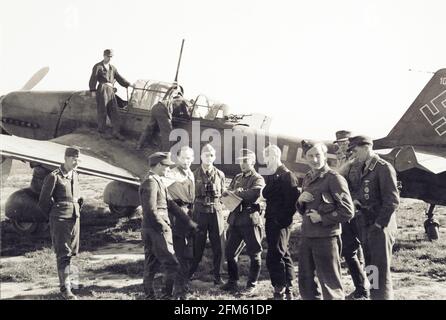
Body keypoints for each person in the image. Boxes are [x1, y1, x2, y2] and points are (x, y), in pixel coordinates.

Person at [296, 141, 355, 300]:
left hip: (326, 238)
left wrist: (322, 218)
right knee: (306, 281)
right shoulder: (308, 177)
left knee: (330, 284)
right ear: (305, 157)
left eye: (318, 155)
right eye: (310, 156)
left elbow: (348, 211)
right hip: (307, 235)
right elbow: (304, 209)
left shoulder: (334, 178)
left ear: (325, 156)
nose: (314, 159)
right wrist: (300, 200)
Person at [346, 135, 400, 300]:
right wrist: (356, 201)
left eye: (355, 150)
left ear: (366, 147)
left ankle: (382, 297)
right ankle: (375, 296)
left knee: (380, 271)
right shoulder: (363, 167)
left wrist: (378, 225)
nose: (354, 154)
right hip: (367, 225)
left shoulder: (383, 167)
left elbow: (392, 201)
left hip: (380, 227)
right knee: (371, 268)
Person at [139, 152, 198, 300]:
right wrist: (164, 226)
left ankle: (150, 296)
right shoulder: (151, 182)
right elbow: (150, 210)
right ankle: (167, 296)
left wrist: (188, 221)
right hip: (156, 229)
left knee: (151, 264)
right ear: (159, 165)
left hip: (153, 228)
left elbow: (170, 205)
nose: (168, 169)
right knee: (172, 264)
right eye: (166, 166)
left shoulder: (157, 180)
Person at [38, 147, 84, 300]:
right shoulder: (54, 176)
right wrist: (55, 216)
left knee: (73, 253)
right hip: (60, 219)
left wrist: (77, 210)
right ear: (66, 158)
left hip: (74, 218)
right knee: (63, 254)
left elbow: (78, 198)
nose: (76, 162)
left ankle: (74, 284)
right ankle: (66, 290)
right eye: (73, 159)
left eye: (78, 159)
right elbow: (43, 202)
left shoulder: (75, 175)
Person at [221, 149, 265, 294]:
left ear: (253, 162)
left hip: (250, 220)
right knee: (229, 252)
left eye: (246, 161)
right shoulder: (238, 177)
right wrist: (235, 193)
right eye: (241, 161)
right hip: (235, 220)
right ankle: (233, 281)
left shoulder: (258, 178)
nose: (243, 164)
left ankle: (251, 284)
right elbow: (226, 193)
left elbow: (254, 194)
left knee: (254, 253)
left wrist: (237, 193)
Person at [334, 130, 370, 299]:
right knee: (349, 252)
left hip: (360, 213)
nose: (342, 145)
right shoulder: (342, 161)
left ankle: (374, 289)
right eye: (339, 143)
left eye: (345, 142)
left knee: (369, 253)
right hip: (347, 214)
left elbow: (358, 188)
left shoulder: (357, 162)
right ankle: (362, 289)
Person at [261, 144, 300, 300]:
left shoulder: (287, 175)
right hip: (272, 219)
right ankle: (288, 289)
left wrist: (281, 221)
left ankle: (280, 290)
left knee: (276, 254)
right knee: (282, 253)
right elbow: (266, 193)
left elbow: (292, 202)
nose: (266, 162)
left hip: (280, 222)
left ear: (275, 156)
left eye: (267, 158)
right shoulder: (275, 175)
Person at [189, 144, 226, 285]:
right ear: (201, 157)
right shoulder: (193, 174)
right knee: (197, 244)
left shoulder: (220, 174)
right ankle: (190, 272)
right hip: (200, 212)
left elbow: (223, 194)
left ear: (214, 157)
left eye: (211, 155)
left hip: (215, 212)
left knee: (218, 245)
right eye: (206, 155)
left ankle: (218, 275)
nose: (209, 158)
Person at [165, 146, 196, 298]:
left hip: (190, 215)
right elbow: (162, 193)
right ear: (178, 158)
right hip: (177, 217)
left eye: (189, 158)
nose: (186, 161)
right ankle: (177, 290)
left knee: (188, 253)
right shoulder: (171, 174)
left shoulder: (190, 173)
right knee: (178, 254)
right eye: (183, 158)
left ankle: (184, 284)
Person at [89, 49, 134, 141]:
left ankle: (116, 132)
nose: (109, 58)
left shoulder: (113, 68)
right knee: (103, 110)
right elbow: (93, 78)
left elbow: (119, 78)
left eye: (111, 57)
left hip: (111, 90)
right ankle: (102, 132)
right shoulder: (98, 66)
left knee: (114, 111)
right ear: (104, 56)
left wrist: (129, 84)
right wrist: (93, 90)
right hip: (102, 89)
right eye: (108, 56)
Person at [136, 85, 183, 151]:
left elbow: (168, 93)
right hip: (162, 110)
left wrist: (171, 88)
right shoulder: (174, 101)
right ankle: (166, 152)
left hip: (155, 108)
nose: (179, 104)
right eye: (180, 103)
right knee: (168, 133)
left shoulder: (167, 99)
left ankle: (139, 145)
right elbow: (170, 113)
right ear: (177, 100)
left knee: (149, 128)